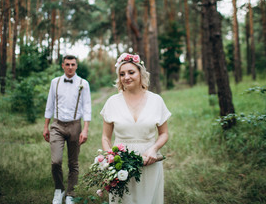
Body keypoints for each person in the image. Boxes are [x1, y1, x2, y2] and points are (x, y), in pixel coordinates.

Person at [100, 53, 171, 204]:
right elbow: (106, 137)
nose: (126, 77)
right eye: (122, 74)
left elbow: (164, 133)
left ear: (140, 73)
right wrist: (111, 158)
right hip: (121, 162)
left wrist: (154, 149)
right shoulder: (112, 102)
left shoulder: (156, 100)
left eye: (131, 72)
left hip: (149, 161)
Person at [43, 55, 91, 204]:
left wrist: (85, 129)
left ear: (76, 66)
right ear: (62, 66)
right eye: (67, 64)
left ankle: (71, 193)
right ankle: (59, 189)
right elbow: (49, 105)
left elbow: (87, 107)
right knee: (56, 161)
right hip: (57, 125)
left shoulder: (84, 83)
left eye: (73, 64)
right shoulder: (55, 83)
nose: (70, 67)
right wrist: (46, 126)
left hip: (75, 125)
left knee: (73, 163)